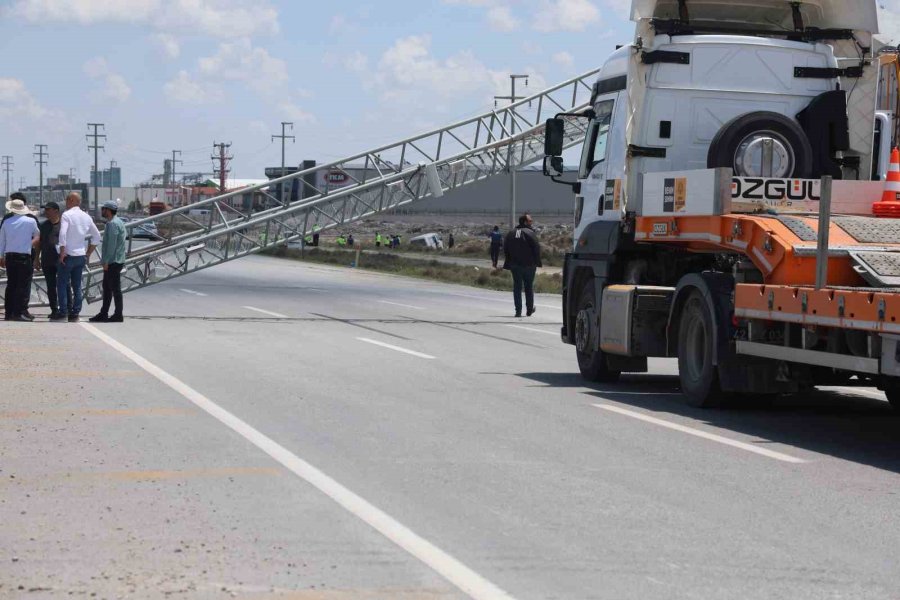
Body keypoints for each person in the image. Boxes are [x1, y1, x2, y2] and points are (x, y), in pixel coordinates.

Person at [54, 192, 101, 323]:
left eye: (68, 199)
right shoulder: (87, 217)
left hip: (68, 255)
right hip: (80, 255)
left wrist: (62, 252)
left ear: (73, 200)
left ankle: (63, 312)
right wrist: (88, 252)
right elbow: (97, 237)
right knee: (77, 285)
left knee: (62, 284)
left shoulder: (67, 215)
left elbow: (62, 234)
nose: (66, 201)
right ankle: (75, 314)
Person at [0, 198, 40, 321]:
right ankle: (20, 312)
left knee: (11, 285)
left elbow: (2, 241)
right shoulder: (31, 221)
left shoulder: (6, 222)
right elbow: (38, 236)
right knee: (23, 285)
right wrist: (29, 243)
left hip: (10, 257)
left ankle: (9, 312)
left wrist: (1, 256)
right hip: (24, 257)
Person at [89, 201, 126, 323]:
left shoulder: (113, 224)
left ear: (108, 210)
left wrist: (106, 261)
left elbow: (111, 245)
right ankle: (104, 313)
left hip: (113, 261)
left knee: (114, 289)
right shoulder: (117, 222)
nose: (102, 211)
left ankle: (117, 315)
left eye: (103, 209)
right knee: (108, 288)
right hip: (115, 260)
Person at [503, 213, 542, 318]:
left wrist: (509, 262)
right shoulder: (530, 233)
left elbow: (505, 249)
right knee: (528, 287)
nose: (531, 223)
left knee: (517, 287)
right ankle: (529, 310)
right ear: (525, 222)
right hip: (529, 265)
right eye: (530, 221)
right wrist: (537, 262)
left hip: (515, 265)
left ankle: (518, 311)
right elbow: (536, 249)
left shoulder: (511, 233)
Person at [34, 201, 66, 319]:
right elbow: (39, 243)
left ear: (56, 211)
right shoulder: (43, 225)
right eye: (45, 210)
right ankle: (54, 309)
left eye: (48, 210)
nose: (45, 212)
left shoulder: (64, 225)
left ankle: (65, 308)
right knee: (51, 286)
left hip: (61, 260)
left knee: (64, 285)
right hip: (47, 260)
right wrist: (36, 258)